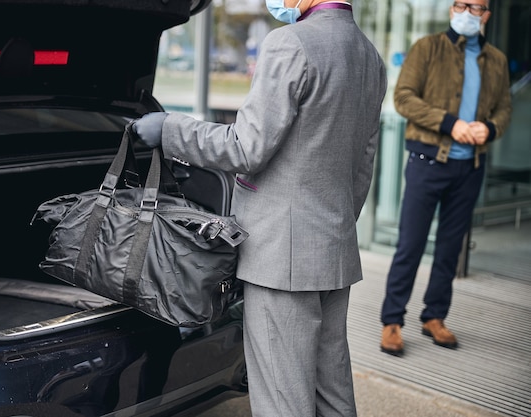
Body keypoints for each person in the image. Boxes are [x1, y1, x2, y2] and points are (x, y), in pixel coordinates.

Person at [133, 0, 387, 415]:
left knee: (282, 399)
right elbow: (363, 165)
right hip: (332, 249)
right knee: (332, 391)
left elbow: (245, 148)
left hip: (280, 257)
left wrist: (170, 129)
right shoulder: (368, 56)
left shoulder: (290, 42)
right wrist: (329, 230)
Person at [379, 0, 512, 356]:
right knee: (410, 245)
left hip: (470, 168)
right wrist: (451, 124)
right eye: (460, 4)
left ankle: (434, 316)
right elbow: (403, 98)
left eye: (476, 6)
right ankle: (392, 321)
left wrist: (491, 127)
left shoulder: (496, 60)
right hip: (427, 163)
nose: (467, 11)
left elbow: (504, 107)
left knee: (450, 249)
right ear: (453, 9)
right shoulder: (428, 47)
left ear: (486, 15)